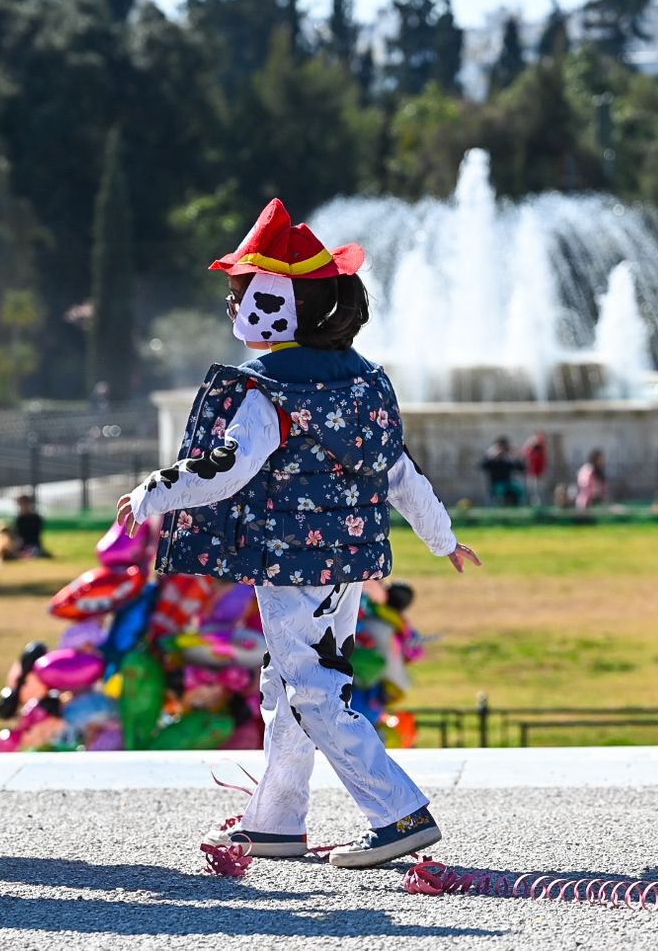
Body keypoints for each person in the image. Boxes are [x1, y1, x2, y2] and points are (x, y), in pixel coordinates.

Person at [118, 198, 480, 869]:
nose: (235, 308)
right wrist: (443, 538)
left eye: (242, 294)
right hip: (345, 558)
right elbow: (398, 471)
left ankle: (399, 813)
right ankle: (276, 821)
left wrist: (154, 491)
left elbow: (228, 467)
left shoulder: (266, 392)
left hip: (290, 562)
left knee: (312, 688)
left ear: (275, 304)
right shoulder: (364, 383)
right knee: (291, 685)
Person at [479, 437, 525, 506]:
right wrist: (491, 457)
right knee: (501, 489)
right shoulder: (492, 457)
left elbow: (521, 469)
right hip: (495, 484)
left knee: (518, 489)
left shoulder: (508, 459)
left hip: (508, 483)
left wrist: (516, 456)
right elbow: (482, 466)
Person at [14, 494, 50, 558]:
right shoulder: (19, 519)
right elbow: (17, 535)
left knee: (33, 551)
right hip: (22, 546)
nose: (23, 506)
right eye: (21, 504)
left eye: (25, 504)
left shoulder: (36, 518)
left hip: (34, 546)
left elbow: (36, 536)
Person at [522, 431, 549, 505]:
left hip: (540, 474)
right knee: (533, 492)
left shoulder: (542, 452)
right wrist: (530, 442)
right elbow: (524, 452)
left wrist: (535, 439)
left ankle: (540, 505)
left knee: (540, 492)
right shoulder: (531, 452)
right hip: (532, 475)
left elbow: (542, 442)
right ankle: (535, 505)